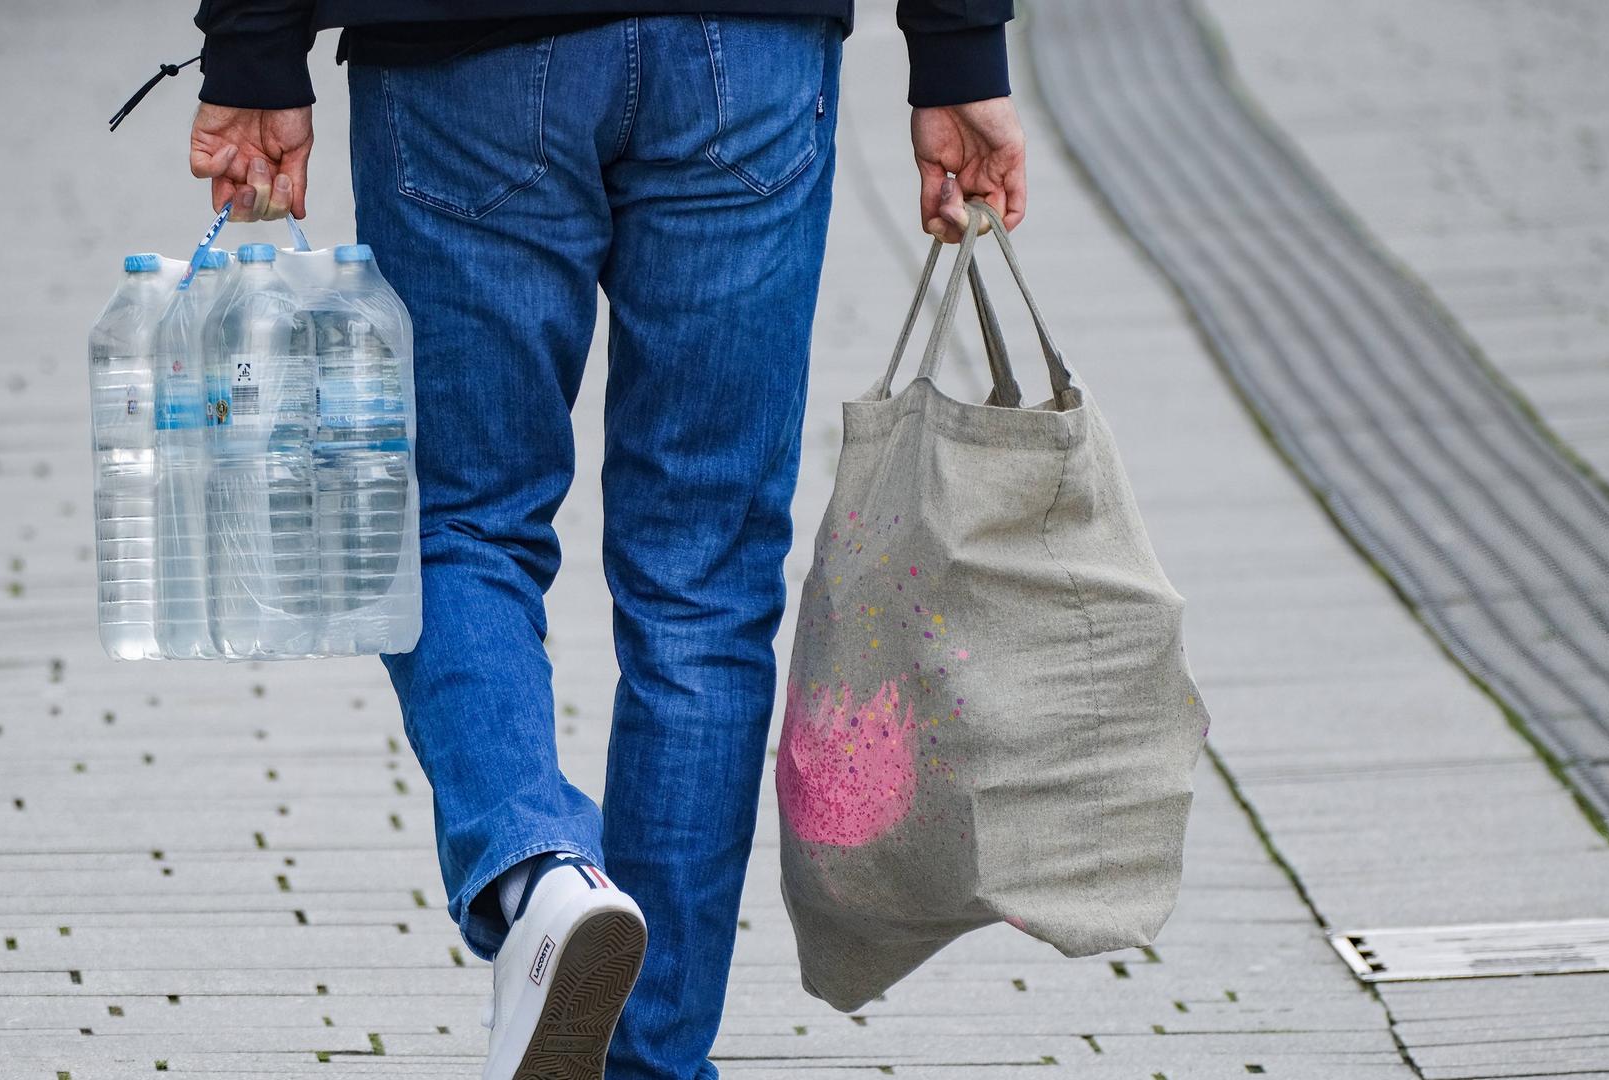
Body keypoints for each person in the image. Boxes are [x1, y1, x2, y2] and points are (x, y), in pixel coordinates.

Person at [184, 3, 1027, 1077]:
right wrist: (959, 48)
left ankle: (537, 873)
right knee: (706, 581)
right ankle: (650, 1061)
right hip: (751, 57)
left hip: (467, 57)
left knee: (458, 522)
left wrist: (256, 44)